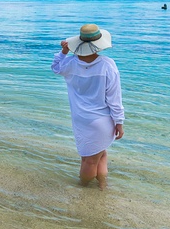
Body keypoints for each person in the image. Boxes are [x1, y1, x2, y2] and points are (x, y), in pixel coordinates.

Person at [51, 24, 125, 188]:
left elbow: (55, 67)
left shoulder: (70, 64)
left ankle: (100, 186)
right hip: (102, 121)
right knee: (93, 159)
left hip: (81, 119)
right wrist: (119, 122)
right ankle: (85, 191)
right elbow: (114, 98)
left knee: (94, 157)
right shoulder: (107, 65)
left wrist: (64, 52)